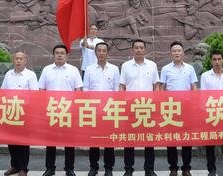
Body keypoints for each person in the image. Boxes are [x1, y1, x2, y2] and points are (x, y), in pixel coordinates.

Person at [39, 44, 84, 176]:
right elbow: (41, 90)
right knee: (50, 141)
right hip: (51, 110)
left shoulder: (73, 70)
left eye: (62, 53)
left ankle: (69, 168)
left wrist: (76, 109)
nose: (59, 55)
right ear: (53, 55)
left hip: (68, 110)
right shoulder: (47, 70)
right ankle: (50, 168)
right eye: (57, 53)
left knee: (69, 141)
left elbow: (78, 90)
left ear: (67, 55)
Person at [119, 39, 160, 176]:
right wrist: (122, 103)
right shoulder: (126, 66)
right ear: (132, 50)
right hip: (131, 106)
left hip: (148, 106)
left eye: (141, 48)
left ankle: (149, 169)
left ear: (145, 50)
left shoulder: (152, 65)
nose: (138, 50)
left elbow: (156, 85)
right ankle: (128, 169)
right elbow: (122, 86)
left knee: (149, 139)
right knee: (129, 139)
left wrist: (156, 102)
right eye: (136, 48)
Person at [160, 42, 198, 176]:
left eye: (179, 50)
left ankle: (186, 167)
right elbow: (162, 88)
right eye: (174, 51)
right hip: (171, 107)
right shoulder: (165, 69)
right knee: (171, 139)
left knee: (187, 138)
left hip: (186, 107)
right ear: (171, 53)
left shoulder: (190, 68)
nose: (177, 53)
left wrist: (194, 104)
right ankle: (173, 168)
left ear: (183, 53)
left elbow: (194, 87)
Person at [83, 42, 120, 176]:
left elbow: (116, 89)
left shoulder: (114, 69)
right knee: (94, 140)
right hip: (94, 110)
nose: (101, 53)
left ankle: (109, 168)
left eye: (104, 51)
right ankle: (94, 167)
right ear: (95, 53)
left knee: (109, 140)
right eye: (99, 51)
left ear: (107, 52)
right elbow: (86, 89)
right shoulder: (89, 69)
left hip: (109, 110)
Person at [199, 50, 223, 176]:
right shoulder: (205, 76)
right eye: (214, 59)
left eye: (219, 59)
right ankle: (211, 170)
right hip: (211, 114)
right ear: (211, 61)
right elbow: (203, 96)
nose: (217, 62)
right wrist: (205, 112)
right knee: (210, 144)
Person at [2, 51, 39, 176]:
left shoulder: (30, 75)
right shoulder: (8, 74)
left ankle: (23, 168)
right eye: (16, 58)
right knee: (11, 140)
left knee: (23, 141)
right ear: (13, 60)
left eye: (21, 58)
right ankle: (15, 166)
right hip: (10, 110)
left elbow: (34, 94)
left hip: (24, 111)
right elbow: (3, 91)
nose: (18, 61)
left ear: (25, 60)